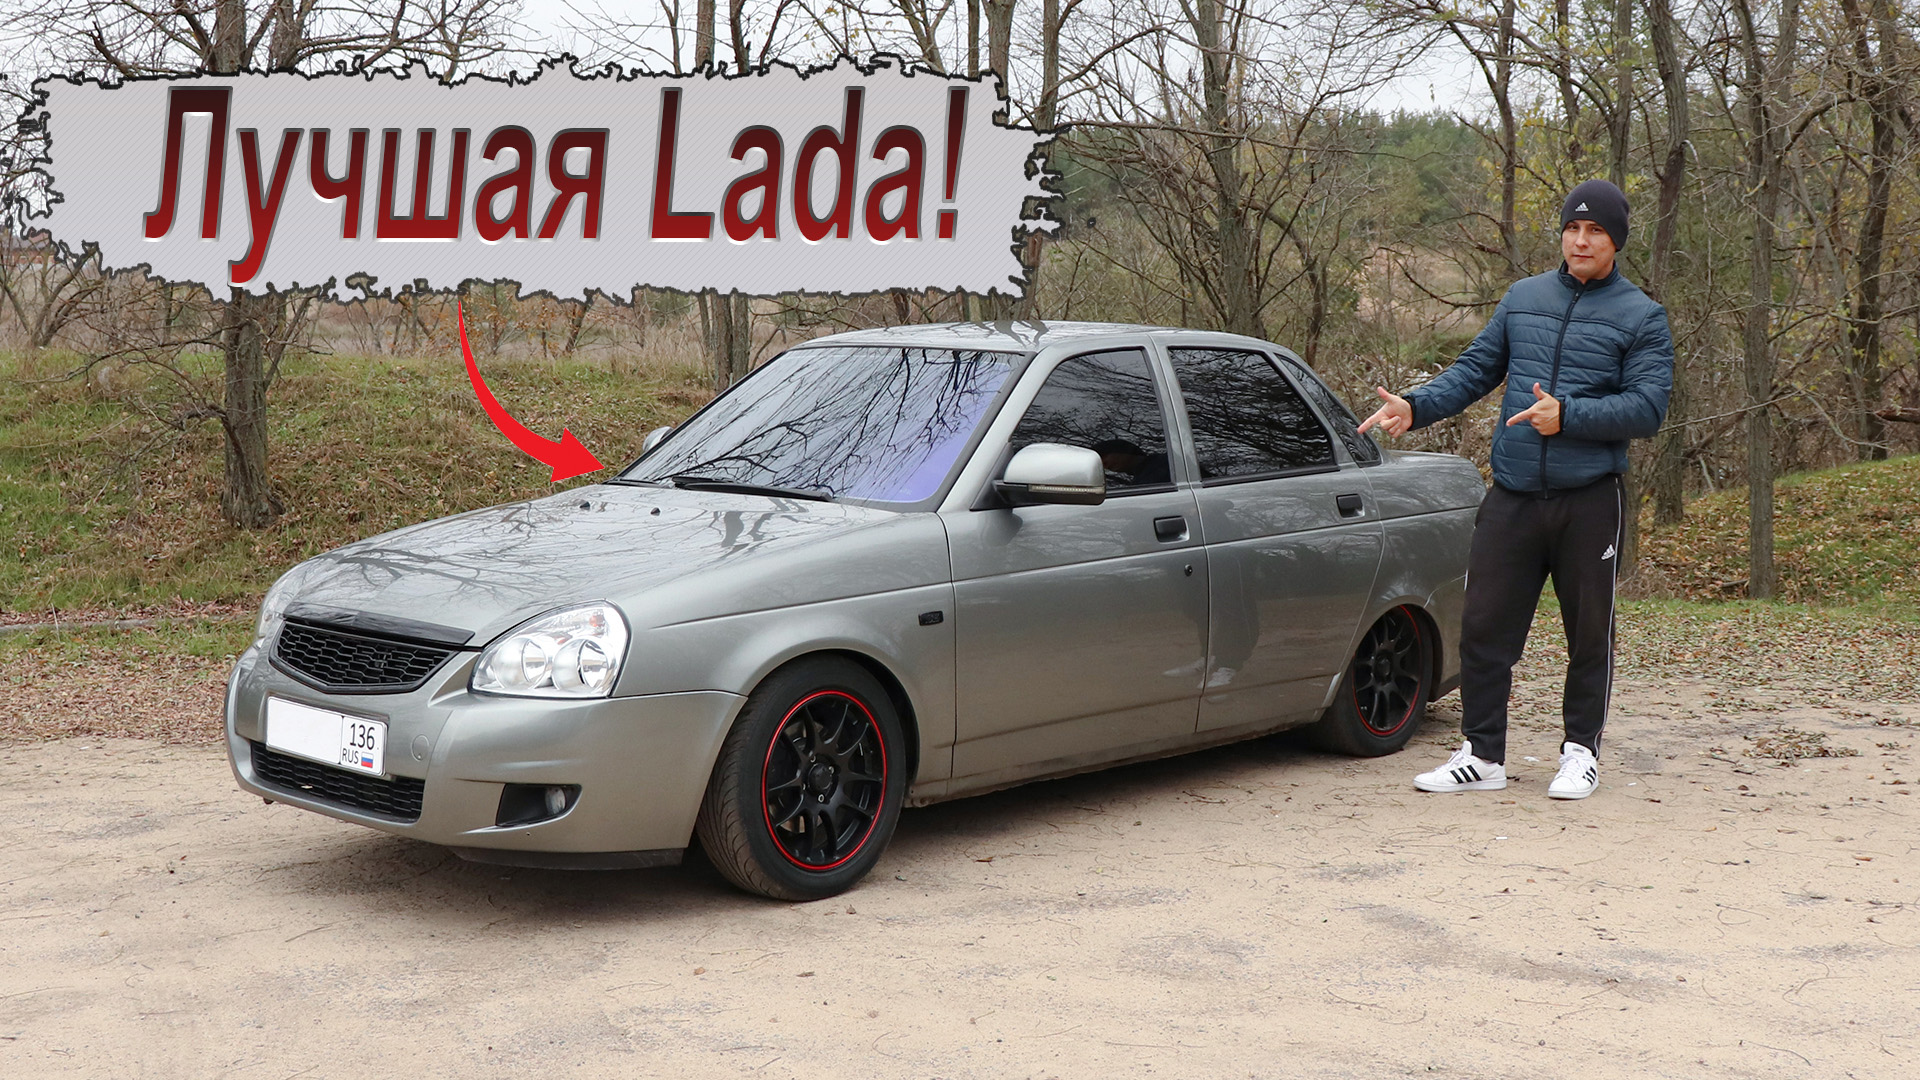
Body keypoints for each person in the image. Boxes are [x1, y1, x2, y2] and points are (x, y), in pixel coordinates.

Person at [1357, 179, 1673, 801]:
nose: (1581, 241)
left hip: (1590, 499)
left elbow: (1647, 408)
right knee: (1482, 628)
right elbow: (1475, 369)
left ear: (1616, 241)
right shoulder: (1524, 298)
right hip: (1514, 494)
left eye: (1596, 231)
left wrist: (1569, 416)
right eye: (1573, 228)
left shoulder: (1641, 316)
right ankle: (1482, 755)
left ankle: (1580, 753)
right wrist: (1417, 407)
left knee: (1589, 635)